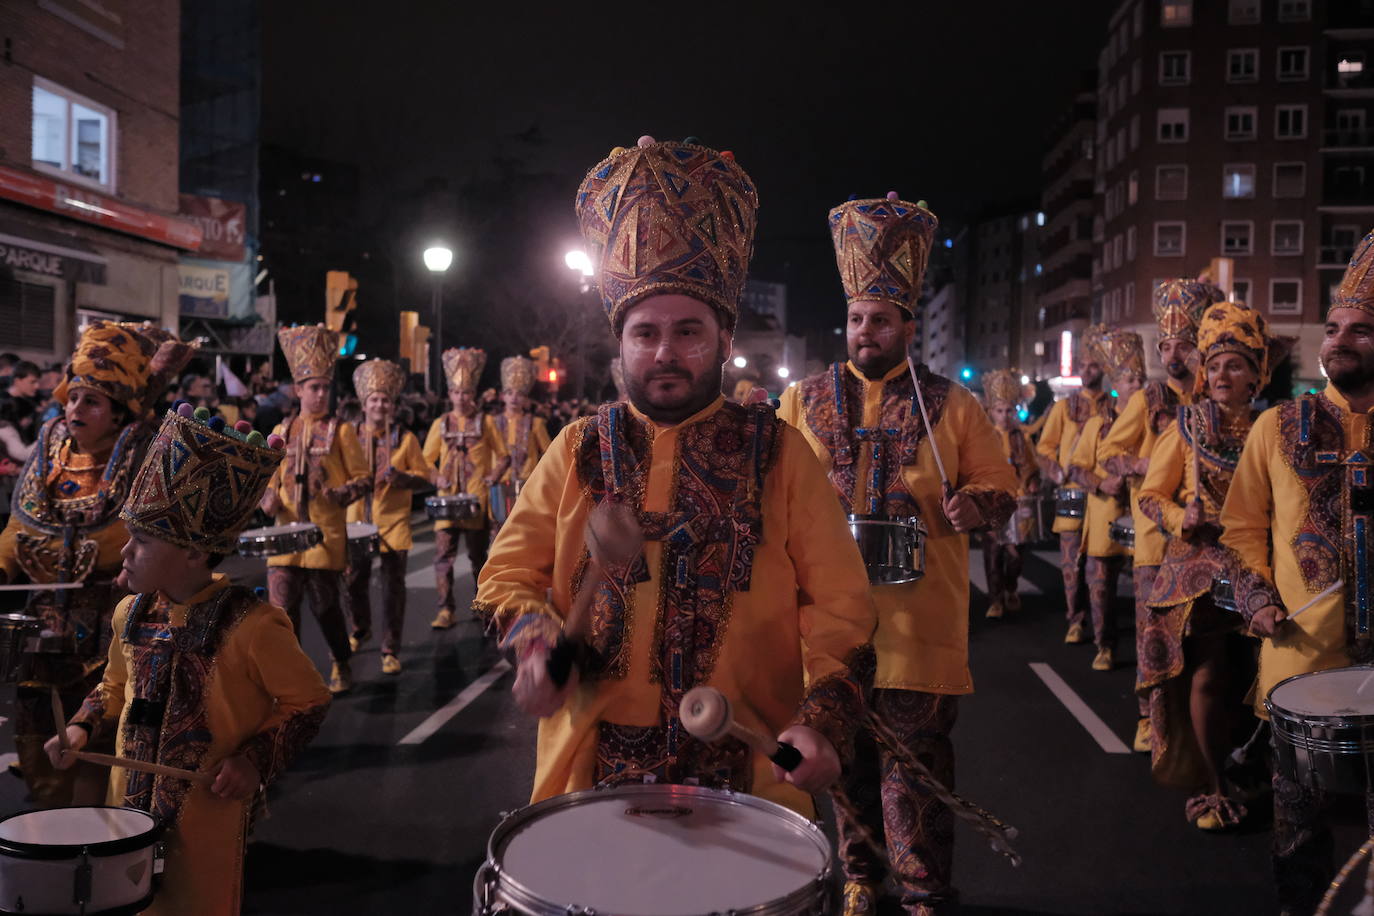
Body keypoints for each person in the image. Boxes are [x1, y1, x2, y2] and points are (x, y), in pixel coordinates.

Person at [475, 136, 875, 823]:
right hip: (591, 774)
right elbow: (506, 575)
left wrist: (824, 720)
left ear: (724, 340)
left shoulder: (781, 456)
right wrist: (537, 648)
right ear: (620, 343)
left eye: (688, 331)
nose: (665, 351)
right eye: (644, 332)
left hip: (749, 779)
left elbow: (841, 610)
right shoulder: (578, 449)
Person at [778, 192, 1016, 916]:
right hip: (827, 626)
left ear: (908, 326)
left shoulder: (953, 403)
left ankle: (923, 890)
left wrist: (973, 504)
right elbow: (775, 491)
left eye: (880, 319)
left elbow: (1001, 484)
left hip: (919, 625)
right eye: (856, 318)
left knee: (914, 769)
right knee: (839, 759)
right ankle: (860, 874)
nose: (865, 331)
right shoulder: (803, 400)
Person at [47, 403, 331, 916]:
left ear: (195, 554)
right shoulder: (127, 614)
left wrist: (254, 761)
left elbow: (309, 702)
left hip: (207, 818)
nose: (126, 553)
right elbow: (112, 687)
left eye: (144, 541)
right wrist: (80, 729)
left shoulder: (254, 626)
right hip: (124, 813)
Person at [1221, 229, 1374, 911]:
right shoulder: (1278, 427)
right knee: (1299, 838)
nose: (1339, 338)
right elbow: (1242, 529)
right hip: (1302, 667)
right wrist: (1255, 597)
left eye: (1361, 330)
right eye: (1334, 326)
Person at [0, 321, 192, 805]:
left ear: (118, 411)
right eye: (72, 399)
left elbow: (138, 537)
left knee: (99, 742)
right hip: (41, 633)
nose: (75, 409)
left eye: (92, 402)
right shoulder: (48, 456)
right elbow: (17, 530)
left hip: (112, 626)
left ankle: (96, 843)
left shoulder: (141, 459)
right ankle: (46, 839)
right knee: (37, 742)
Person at [1136, 301, 1277, 834]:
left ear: (1255, 377)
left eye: (1235, 365)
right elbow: (1151, 495)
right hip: (1199, 566)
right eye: (1213, 365)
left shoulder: (1273, 429)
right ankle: (1213, 783)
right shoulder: (1187, 425)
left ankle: (1254, 766)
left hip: (1259, 566)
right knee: (1211, 671)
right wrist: (1181, 516)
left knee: (1259, 673)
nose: (1221, 374)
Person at [1101, 278, 1223, 749]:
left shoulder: (1213, 398)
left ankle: (1200, 728)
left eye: (1185, 345)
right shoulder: (1147, 398)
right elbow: (1109, 450)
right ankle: (1148, 717)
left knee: (1204, 641)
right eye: (1168, 345)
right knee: (1153, 637)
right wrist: (1140, 464)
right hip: (1156, 538)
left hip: (1207, 541)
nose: (1175, 355)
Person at [259, 324, 370, 695]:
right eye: (314, 388)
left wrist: (336, 494)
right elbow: (270, 477)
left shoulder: (342, 431)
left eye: (326, 387)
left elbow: (363, 478)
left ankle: (341, 660)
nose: (321, 394)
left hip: (324, 535)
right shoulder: (282, 428)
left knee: (325, 609)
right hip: (285, 535)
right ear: (298, 390)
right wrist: (268, 496)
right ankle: (293, 678)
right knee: (281, 612)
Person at [344, 359, 432, 675]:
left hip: (393, 522)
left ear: (392, 405)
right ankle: (360, 626)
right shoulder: (348, 435)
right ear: (364, 404)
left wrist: (404, 479)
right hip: (356, 522)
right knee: (353, 582)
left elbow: (424, 477)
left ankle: (390, 648)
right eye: (374, 399)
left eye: (385, 399)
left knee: (393, 586)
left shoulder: (405, 439)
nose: (379, 404)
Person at [1067, 329, 1145, 671]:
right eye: (1129, 379)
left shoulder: (1155, 423)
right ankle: (1105, 644)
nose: (1137, 385)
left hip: (1146, 519)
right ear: (1116, 383)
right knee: (1100, 587)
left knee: (1147, 594)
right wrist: (1101, 483)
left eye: (1140, 378)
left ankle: (1150, 652)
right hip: (1106, 519)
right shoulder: (1098, 425)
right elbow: (1076, 466)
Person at [1035, 332, 1114, 644]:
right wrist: (1055, 471)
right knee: (1070, 563)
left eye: (1094, 365)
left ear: (1104, 369)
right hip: (1070, 492)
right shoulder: (1064, 408)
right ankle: (1075, 619)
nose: (1088, 370)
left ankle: (1102, 630)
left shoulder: (1114, 408)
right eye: (1084, 364)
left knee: (1101, 566)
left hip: (1103, 495)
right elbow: (1044, 448)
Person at [423, 347, 509, 629]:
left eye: (467, 393)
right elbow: (426, 460)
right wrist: (436, 477)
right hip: (447, 500)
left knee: (477, 557)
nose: (462, 398)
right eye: (457, 393)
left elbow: (504, 455)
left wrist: (493, 475)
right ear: (450, 395)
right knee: (443, 558)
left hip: (476, 500)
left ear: (474, 395)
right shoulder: (440, 423)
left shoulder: (485, 423)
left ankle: (480, 603)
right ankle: (445, 609)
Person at [980, 369, 1041, 619]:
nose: (1004, 416)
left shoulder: (1021, 438)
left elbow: (1032, 466)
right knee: (993, 553)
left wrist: (1033, 482)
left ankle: (1011, 587)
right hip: (993, 502)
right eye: (999, 411)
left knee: (1016, 553)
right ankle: (995, 599)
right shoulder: (983, 437)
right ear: (991, 411)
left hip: (1018, 503)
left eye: (1008, 411)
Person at [492, 355, 551, 530]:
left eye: (520, 394)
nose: (514, 398)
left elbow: (549, 455)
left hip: (526, 485)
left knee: (525, 533)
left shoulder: (535, 423)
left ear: (526, 398)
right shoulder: (492, 423)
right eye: (510, 393)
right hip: (499, 486)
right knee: (498, 535)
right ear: (503, 396)